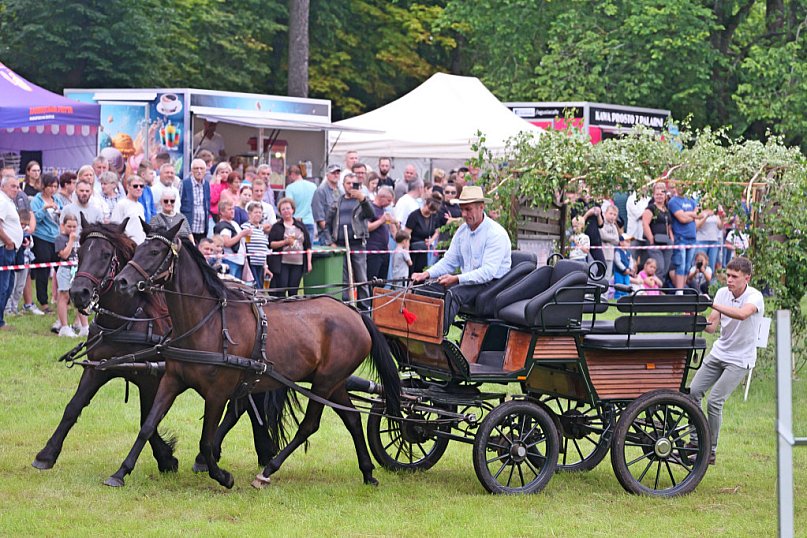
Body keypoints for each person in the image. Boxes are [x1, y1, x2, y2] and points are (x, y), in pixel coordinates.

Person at [688, 256, 763, 465]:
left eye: (734, 277)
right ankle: (695, 443)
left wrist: (712, 304)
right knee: (693, 392)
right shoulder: (722, 293)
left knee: (714, 401)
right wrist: (695, 316)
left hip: (740, 359)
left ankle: (710, 451)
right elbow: (712, 326)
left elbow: (741, 315)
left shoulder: (755, 297)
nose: (729, 280)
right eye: (728, 276)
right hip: (719, 353)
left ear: (746, 278)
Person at [411, 186, 511, 332]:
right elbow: (449, 261)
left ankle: (437, 337)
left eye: (468, 209)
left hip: (492, 285)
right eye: (462, 209)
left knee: (454, 294)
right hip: (469, 281)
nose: (463, 214)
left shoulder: (496, 234)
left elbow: (488, 272)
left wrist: (457, 279)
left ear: (481, 207)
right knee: (423, 289)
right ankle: (418, 332)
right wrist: (426, 274)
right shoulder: (462, 231)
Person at [327, 174, 375, 307]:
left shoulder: (362, 201)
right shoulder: (337, 202)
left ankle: (364, 308)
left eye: (353, 183)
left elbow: (371, 214)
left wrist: (363, 199)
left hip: (357, 243)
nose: (350, 186)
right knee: (343, 279)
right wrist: (331, 241)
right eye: (348, 183)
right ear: (343, 185)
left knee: (361, 279)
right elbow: (328, 223)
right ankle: (345, 306)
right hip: (340, 244)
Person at [30, 173, 64, 313]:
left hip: (56, 238)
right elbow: (34, 219)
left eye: (55, 186)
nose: (53, 189)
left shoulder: (57, 199)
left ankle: (64, 298)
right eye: (50, 186)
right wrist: (44, 209)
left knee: (62, 269)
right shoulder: (36, 200)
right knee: (43, 269)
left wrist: (60, 212)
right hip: (41, 237)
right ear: (44, 186)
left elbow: (63, 217)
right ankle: (43, 302)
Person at [53, 214, 88, 337]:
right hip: (65, 270)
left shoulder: (79, 239)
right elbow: (64, 255)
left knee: (81, 298)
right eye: (69, 226)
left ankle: (84, 326)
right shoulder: (60, 239)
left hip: (77, 270)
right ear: (63, 225)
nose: (72, 229)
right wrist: (71, 241)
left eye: (74, 226)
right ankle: (64, 327)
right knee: (64, 296)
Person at [268, 197, 312, 297]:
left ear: (293, 210)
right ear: (280, 212)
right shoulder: (277, 227)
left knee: (293, 288)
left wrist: (309, 263)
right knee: (282, 287)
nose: (286, 211)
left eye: (288, 208)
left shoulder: (300, 225)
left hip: (298, 263)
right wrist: (285, 242)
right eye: (283, 209)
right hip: (282, 263)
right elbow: (271, 244)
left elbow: (308, 245)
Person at [0, 172, 24, 330]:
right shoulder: (2, 200)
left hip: (10, 249)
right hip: (3, 249)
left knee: (7, 287)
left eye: (18, 186)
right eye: (13, 186)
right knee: (3, 287)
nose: (16, 189)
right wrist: (9, 241)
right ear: (3, 187)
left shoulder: (8, 201)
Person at [667, 179, 699, 291]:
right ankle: (679, 291)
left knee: (687, 266)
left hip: (692, 237)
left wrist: (688, 214)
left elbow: (698, 214)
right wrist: (692, 215)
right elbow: (681, 219)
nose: (682, 187)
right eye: (679, 185)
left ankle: (683, 289)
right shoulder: (673, 202)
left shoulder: (691, 200)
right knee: (680, 265)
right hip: (680, 237)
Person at [404, 193, 443, 275]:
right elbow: (406, 234)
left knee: (421, 272)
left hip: (424, 249)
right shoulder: (414, 215)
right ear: (426, 204)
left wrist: (431, 240)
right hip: (412, 249)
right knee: (411, 273)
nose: (430, 212)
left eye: (433, 211)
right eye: (429, 209)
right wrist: (406, 253)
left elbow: (437, 231)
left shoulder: (434, 217)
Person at [642, 182, 673, 282]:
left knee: (665, 268)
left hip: (666, 243)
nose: (659, 196)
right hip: (655, 242)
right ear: (654, 195)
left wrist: (672, 240)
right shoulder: (651, 208)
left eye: (661, 194)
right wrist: (651, 239)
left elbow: (669, 226)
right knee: (659, 266)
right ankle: (652, 290)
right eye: (657, 194)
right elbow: (645, 224)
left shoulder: (666, 209)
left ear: (665, 195)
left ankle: (658, 290)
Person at [366, 186, 396, 282]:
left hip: (384, 251)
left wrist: (394, 223)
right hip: (373, 251)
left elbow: (388, 227)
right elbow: (366, 227)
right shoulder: (369, 208)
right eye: (388, 200)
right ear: (381, 197)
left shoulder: (384, 210)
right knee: (372, 280)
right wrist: (381, 221)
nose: (389, 204)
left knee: (382, 281)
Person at [570, 183, 604, 265]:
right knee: (582, 264)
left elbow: (601, 225)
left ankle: (597, 277)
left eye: (586, 188)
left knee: (602, 264)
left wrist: (599, 214)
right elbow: (576, 224)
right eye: (582, 188)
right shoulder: (576, 206)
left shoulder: (595, 203)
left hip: (595, 239)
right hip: (582, 239)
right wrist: (588, 214)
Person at [213, 200, 248, 279]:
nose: (232, 211)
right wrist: (241, 234)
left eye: (233, 209)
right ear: (221, 212)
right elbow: (227, 243)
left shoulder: (234, 223)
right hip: (230, 260)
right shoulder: (223, 226)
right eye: (229, 209)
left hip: (240, 260)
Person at [180, 158, 211, 244]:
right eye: (196, 168)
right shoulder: (184, 184)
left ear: (205, 171)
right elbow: (179, 205)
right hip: (189, 228)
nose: (199, 171)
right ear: (191, 170)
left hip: (202, 228)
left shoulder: (206, 185)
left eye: (202, 168)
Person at [242, 201, 272, 289]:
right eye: (255, 212)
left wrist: (265, 266)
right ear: (249, 214)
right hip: (251, 263)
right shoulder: (245, 227)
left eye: (260, 212)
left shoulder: (261, 230)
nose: (258, 214)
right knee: (254, 287)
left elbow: (264, 249)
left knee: (261, 288)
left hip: (261, 264)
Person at [110, 176, 146, 244]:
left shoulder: (140, 206)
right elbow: (115, 227)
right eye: (135, 186)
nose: (139, 188)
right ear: (128, 187)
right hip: (128, 246)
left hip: (141, 246)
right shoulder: (121, 204)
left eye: (141, 186)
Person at [284, 164, 317, 240]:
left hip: (296, 221)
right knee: (308, 249)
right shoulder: (313, 186)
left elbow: (289, 205)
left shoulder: (290, 188)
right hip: (310, 220)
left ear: (292, 174)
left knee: (297, 249)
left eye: (288, 177)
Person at [312, 164, 341, 246]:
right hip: (326, 237)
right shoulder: (320, 191)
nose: (336, 175)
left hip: (339, 236)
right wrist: (330, 241)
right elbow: (320, 219)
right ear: (327, 175)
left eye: (338, 173)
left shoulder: (341, 191)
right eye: (333, 173)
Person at [695, 203, 724, 271]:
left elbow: (720, 227)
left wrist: (722, 218)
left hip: (714, 241)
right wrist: (706, 216)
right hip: (701, 241)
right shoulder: (699, 212)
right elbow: (697, 226)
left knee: (711, 265)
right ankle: (700, 280)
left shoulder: (715, 213)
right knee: (700, 263)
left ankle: (711, 279)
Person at [612, 234, 636, 299]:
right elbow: (617, 261)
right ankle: (617, 298)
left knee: (627, 286)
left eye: (629, 242)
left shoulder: (628, 253)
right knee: (619, 287)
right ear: (621, 242)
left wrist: (630, 269)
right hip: (619, 273)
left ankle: (626, 299)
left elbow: (631, 262)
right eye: (627, 242)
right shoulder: (617, 251)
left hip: (627, 274)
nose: (629, 244)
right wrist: (624, 269)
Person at [600, 204, 620, 280]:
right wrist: (612, 238)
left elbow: (617, 240)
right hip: (602, 254)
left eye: (615, 215)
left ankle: (606, 292)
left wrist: (609, 238)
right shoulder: (602, 223)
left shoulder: (614, 226)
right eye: (611, 213)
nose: (612, 216)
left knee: (608, 276)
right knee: (601, 275)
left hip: (610, 255)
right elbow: (603, 235)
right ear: (605, 213)